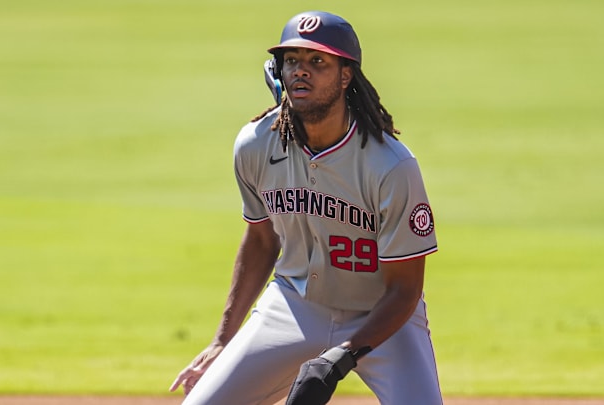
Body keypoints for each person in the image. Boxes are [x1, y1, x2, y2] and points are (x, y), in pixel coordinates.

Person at [169, 10, 443, 405]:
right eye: (292, 61)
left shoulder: (390, 166)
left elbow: (405, 290)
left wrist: (338, 360)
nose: (301, 71)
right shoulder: (257, 145)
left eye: (318, 61)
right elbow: (262, 242)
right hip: (295, 306)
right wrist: (221, 342)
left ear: (345, 75)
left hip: (383, 318)